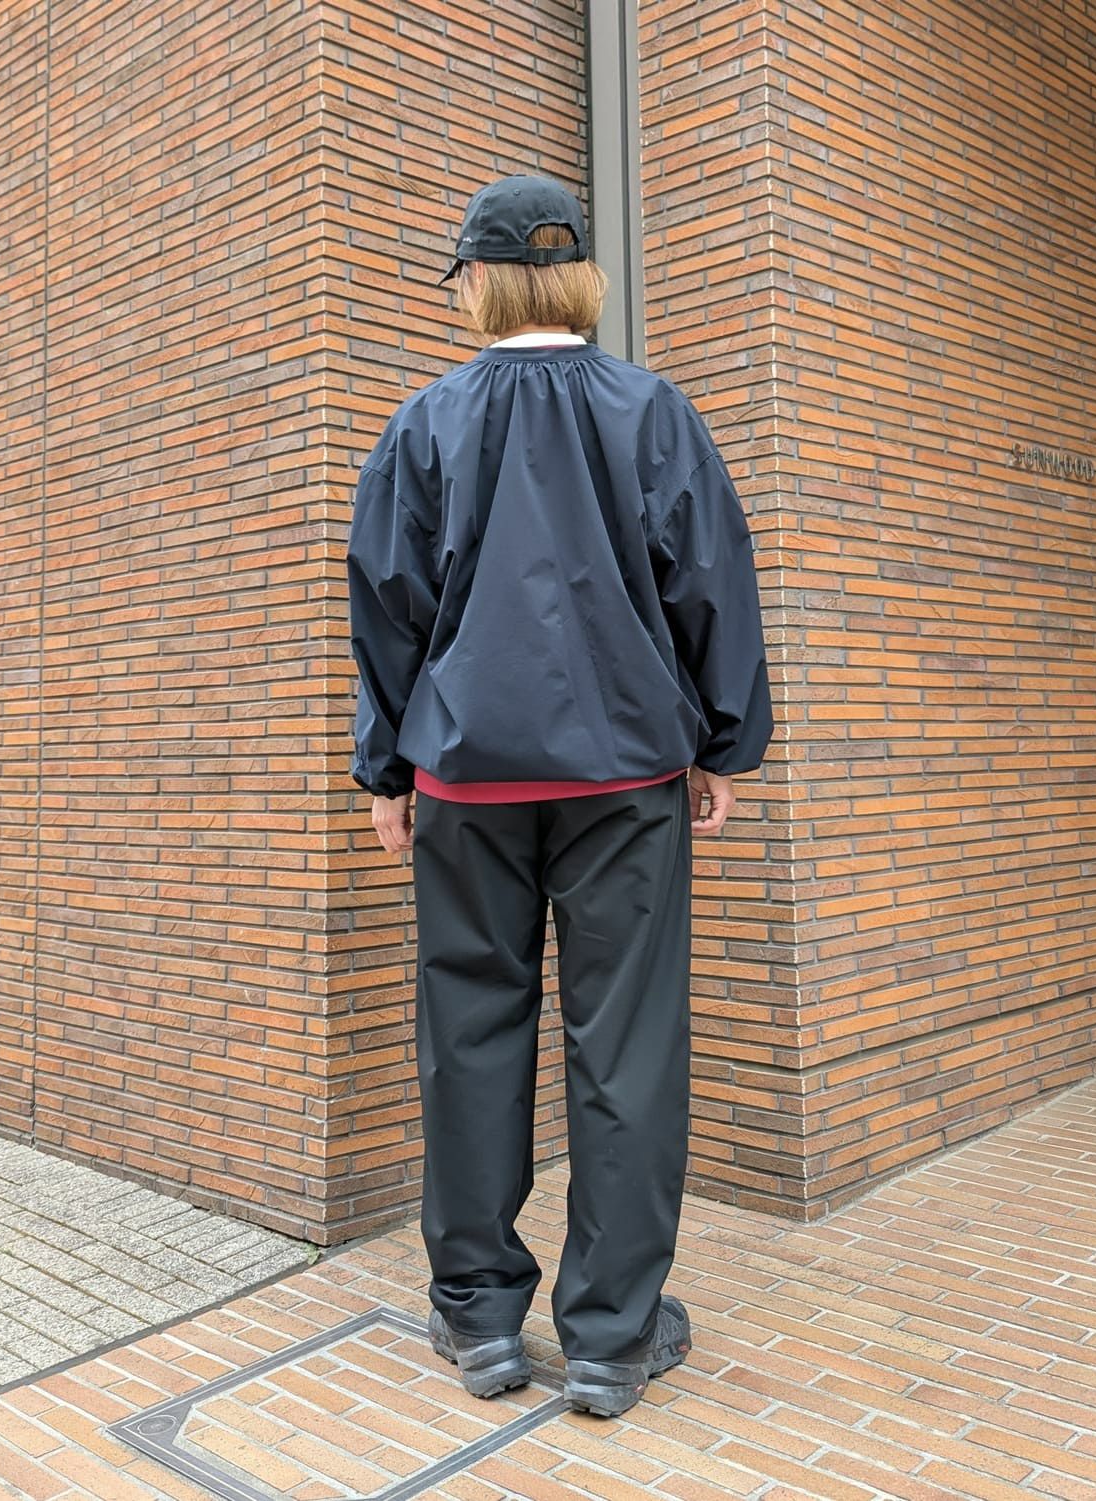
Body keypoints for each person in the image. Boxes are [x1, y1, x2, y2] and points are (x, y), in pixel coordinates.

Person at [346, 173, 773, 1418]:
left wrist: (387, 767)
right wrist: (723, 743)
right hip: (625, 777)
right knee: (625, 1041)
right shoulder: (654, 411)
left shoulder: (426, 423)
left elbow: (387, 602)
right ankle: (609, 1338)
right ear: (580, 276)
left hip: (466, 778)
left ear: (479, 279)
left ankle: (479, 1318)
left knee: (470, 1031)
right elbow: (711, 577)